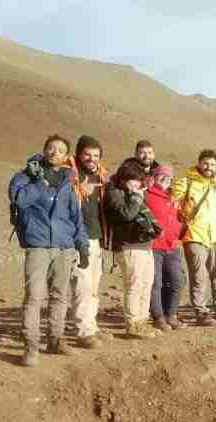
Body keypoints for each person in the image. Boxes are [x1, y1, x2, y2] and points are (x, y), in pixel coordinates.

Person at [8, 134, 89, 366]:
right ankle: (31, 347)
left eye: (60, 150)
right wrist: (38, 182)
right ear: (44, 150)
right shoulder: (24, 176)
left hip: (64, 247)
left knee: (60, 297)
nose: (55, 152)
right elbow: (19, 200)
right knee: (34, 297)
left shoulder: (67, 181)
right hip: (38, 245)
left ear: (66, 157)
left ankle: (55, 340)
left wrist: (82, 245)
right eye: (51, 148)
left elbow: (76, 217)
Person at [171, 149, 216, 326]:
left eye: (212, 164)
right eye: (205, 163)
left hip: (215, 237)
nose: (209, 167)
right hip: (194, 235)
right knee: (199, 275)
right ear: (199, 163)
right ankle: (201, 311)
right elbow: (173, 201)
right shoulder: (186, 181)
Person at [105, 161, 162, 339]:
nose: (137, 184)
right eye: (134, 180)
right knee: (134, 286)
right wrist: (137, 197)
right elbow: (127, 214)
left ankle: (142, 322)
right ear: (123, 179)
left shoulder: (133, 193)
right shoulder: (115, 194)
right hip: (128, 246)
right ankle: (132, 324)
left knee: (146, 284)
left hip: (144, 246)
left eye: (139, 181)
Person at [67, 135, 110, 349]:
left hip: (96, 237)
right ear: (78, 153)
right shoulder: (70, 175)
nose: (91, 159)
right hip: (77, 238)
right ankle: (83, 332)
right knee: (82, 285)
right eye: (87, 154)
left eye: (95, 156)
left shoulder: (100, 176)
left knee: (93, 286)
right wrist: (78, 192)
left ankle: (91, 326)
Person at [146, 164, 187, 331]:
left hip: (173, 245)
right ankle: (158, 317)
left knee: (178, 281)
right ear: (154, 176)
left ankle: (172, 315)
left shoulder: (175, 197)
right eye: (161, 175)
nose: (165, 179)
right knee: (156, 282)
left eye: (169, 177)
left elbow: (183, 216)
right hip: (154, 245)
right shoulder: (147, 194)